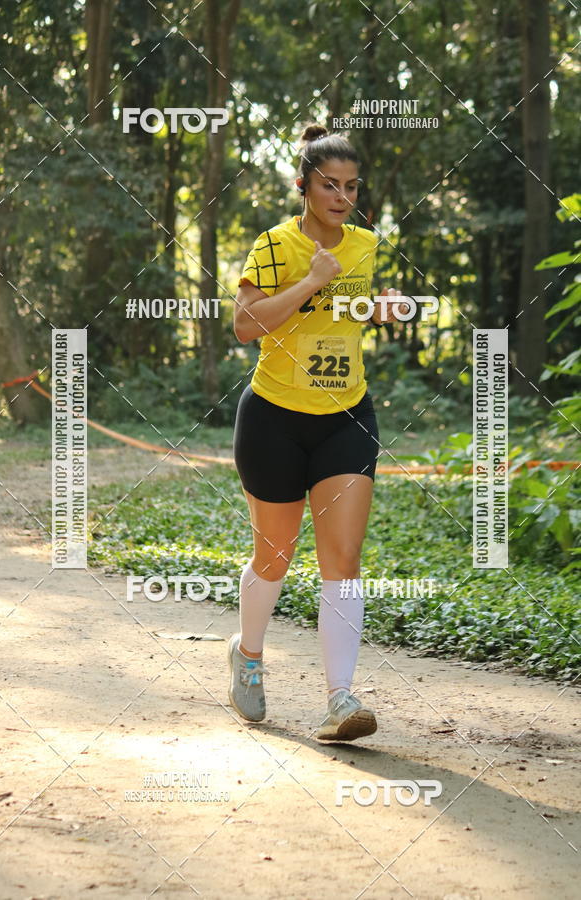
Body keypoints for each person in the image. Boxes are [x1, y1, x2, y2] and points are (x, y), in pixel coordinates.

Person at [228, 123, 405, 742]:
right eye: (330, 185)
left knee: (343, 558)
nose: (342, 196)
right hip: (274, 416)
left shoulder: (366, 244)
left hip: (347, 417)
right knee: (275, 556)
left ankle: (340, 699)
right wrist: (311, 281)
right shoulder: (273, 246)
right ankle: (247, 658)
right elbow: (246, 326)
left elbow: (351, 314)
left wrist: (379, 307)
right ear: (303, 185)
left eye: (352, 187)